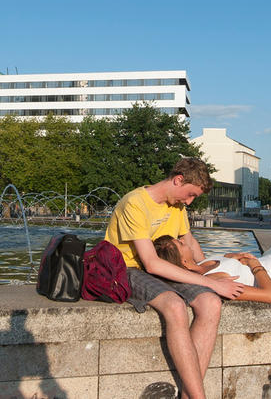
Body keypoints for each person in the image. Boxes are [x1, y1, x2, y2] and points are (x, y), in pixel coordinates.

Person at [104, 157, 246, 399]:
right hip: (127, 268)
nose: (189, 202)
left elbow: (189, 242)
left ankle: (189, 395)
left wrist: (206, 270)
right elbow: (149, 262)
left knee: (210, 302)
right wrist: (211, 282)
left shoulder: (177, 206)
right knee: (175, 305)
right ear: (178, 180)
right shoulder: (135, 203)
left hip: (164, 267)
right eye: (189, 195)